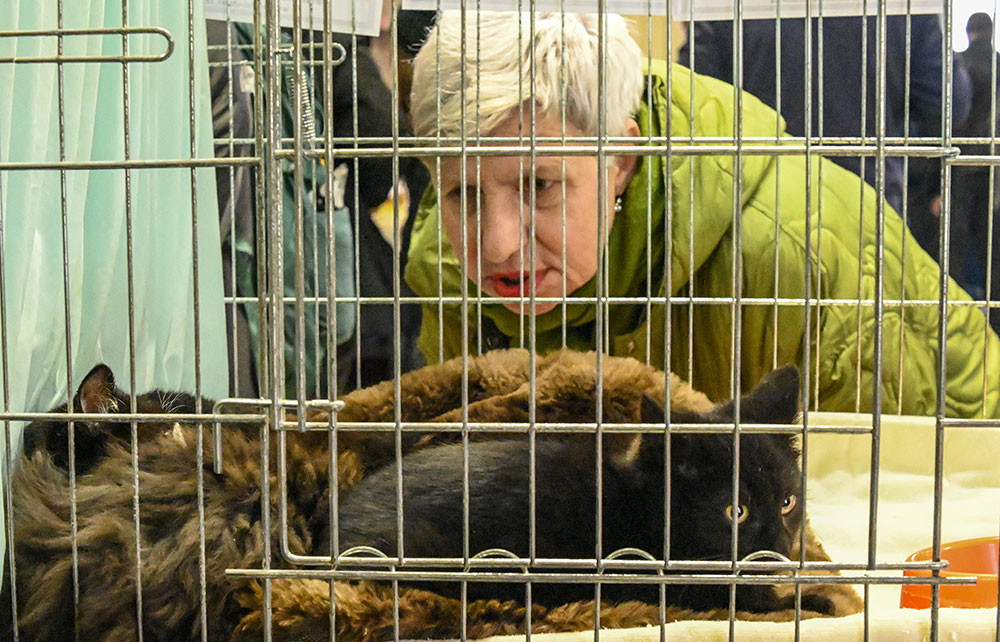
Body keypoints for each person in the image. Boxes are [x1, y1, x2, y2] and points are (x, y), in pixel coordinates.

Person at [403, 11, 1000, 417]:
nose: (497, 244)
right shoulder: (442, 260)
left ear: (622, 161)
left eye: (540, 185)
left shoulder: (789, 259)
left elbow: (883, 507)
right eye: (463, 194)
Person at [678, 15, 970, 244]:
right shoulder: (903, 10)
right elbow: (949, 104)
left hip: (757, 212)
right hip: (868, 206)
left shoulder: (724, 8)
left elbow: (694, 100)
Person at [952, 12, 1000, 332]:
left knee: (953, 250)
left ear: (969, 32)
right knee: (992, 251)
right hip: (995, 170)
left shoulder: (960, 65)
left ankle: (959, 324)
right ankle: (995, 324)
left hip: (959, 168)